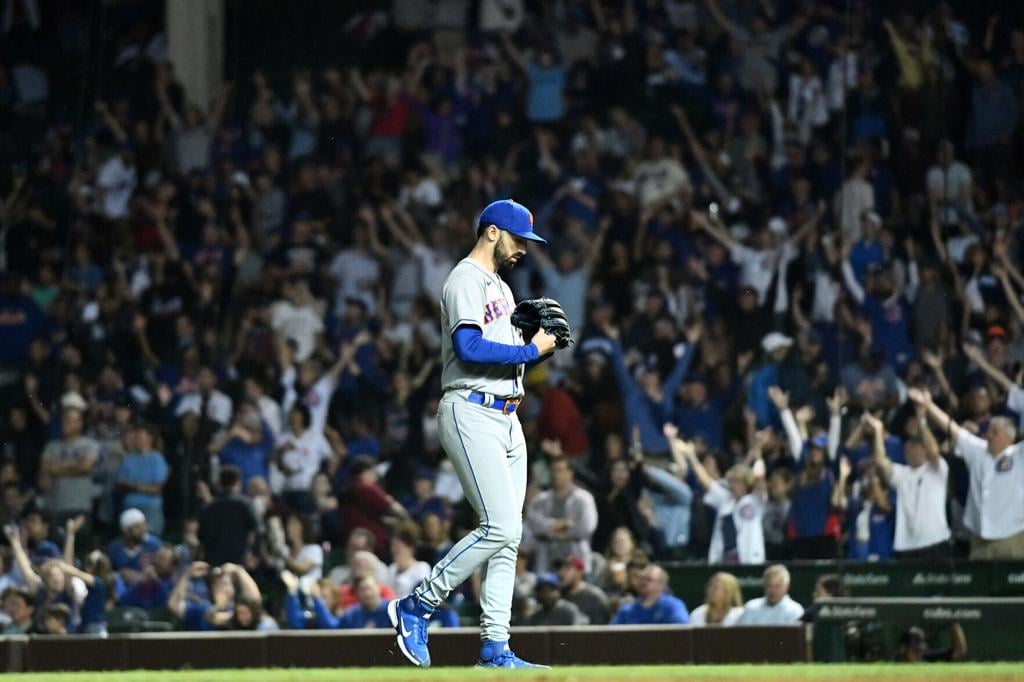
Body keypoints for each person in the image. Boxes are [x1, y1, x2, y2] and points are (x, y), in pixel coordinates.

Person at [389, 199, 561, 669]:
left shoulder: (501, 289)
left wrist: (522, 334)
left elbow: (497, 343)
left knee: (510, 536)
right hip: (471, 409)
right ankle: (417, 605)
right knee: (499, 526)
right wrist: (532, 350)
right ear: (491, 233)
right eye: (518, 238)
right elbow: (467, 347)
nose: (524, 248)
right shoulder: (464, 278)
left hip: (508, 416)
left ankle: (495, 647)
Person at [909, 387, 1024, 559]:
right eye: (989, 430)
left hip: (1011, 536)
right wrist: (928, 404)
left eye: (995, 432)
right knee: (977, 584)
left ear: (1009, 437)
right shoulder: (977, 450)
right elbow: (952, 428)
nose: (988, 435)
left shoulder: (1019, 455)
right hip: (978, 538)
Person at [666, 424, 766, 564]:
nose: (734, 485)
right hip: (724, 558)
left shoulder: (755, 500)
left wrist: (758, 452)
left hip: (749, 557)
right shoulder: (725, 499)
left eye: (738, 481)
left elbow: (759, 477)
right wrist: (691, 456)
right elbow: (705, 480)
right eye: (733, 481)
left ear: (746, 484)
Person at [870, 410, 952, 559]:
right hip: (906, 545)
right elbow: (881, 462)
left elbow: (934, 450)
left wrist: (922, 422)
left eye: (913, 446)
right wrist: (878, 430)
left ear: (923, 450)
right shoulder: (902, 473)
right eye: (906, 448)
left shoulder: (937, 470)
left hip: (936, 542)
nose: (908, 450)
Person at [525, 456, 598, 574]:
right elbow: (533, 525)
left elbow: (586, 528)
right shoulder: (541, 500)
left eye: (559, 470)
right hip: (547, 563)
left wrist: (551, 532)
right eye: (553, 470)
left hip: (577, 563)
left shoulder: (584, 498)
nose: (555, 474)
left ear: (570, 473)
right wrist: (561, 524)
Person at [198, 466, 259, 567]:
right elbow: (258, 530)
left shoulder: (208, 508)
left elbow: (201, 535)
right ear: (238, 482)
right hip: (240, 560)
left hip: (214, 560)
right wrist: (254, 553)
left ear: (220, 483)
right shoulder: (246, 504)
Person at [115, 424, 170, 536]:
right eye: (136, 437)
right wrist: (143, 487)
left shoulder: (157, 459)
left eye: (140, 437)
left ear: (150, 439)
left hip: (151, 508)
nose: (137, 440)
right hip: (130, 506)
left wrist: (133, 486)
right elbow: (120, 484)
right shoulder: (128, 459)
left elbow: (156, 488)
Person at [610, 564, 689, 625]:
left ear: (661, 584)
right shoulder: (627, 610)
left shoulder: (673, 606)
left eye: (648, 579)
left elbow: (681, 629)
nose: (643, 582)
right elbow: (611, 634)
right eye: (641, 578)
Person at [106, 508, 162, 586]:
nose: (144, 529)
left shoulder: (154, 545)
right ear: (126, 530)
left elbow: (164, 572)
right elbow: (107, 574)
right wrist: (120, 574)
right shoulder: (114, 549)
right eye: (138, 527)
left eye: (144, 525)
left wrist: (141, 576)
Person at [738, 564, 804, 625]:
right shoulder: (751, 607)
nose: (772, 591)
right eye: (769, 586)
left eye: (777, 586)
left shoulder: (795, 610)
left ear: (786, 587)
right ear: (764, 586)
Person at [557, 554, 610, 625]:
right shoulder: (557, 596)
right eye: (559, 568)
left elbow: (602, 627)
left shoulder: (594, 597)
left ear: (579, 572)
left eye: (567, 568)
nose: (561, 573)